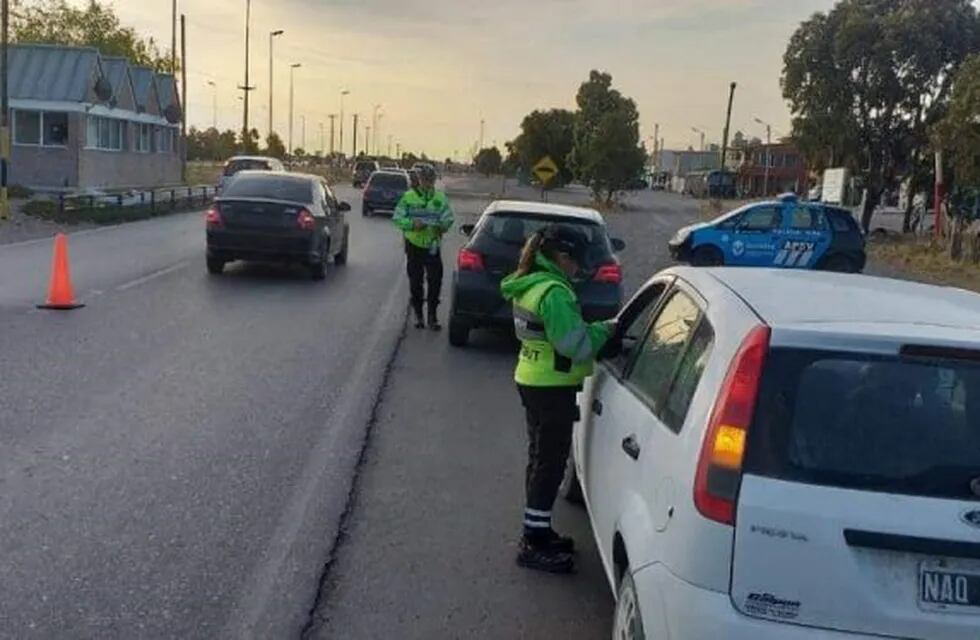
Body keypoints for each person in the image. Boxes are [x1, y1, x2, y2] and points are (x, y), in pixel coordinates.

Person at [500, 224, 616, 573]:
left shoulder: (530, 282)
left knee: (540, 460)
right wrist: (605, 330)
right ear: (562, 257)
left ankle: (537, 529)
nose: (580, 269)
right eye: (577, 261)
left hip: (532, 378)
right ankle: (533, 544)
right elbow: (575, 344)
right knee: (549, 465)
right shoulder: (555, 292)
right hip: (551, 386)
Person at [393, 165, 455, 330]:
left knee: (435, 281)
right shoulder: (409, 197)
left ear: (434, 180)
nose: (427, 182)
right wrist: (412, 224)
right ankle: (419, 315)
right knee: (416, 281)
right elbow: (397, 218)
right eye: (424, 179)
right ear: (419, 180)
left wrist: (442, 226)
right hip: (414, 245)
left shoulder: (440, 198)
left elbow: (449, 218)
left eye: (430, 179)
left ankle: (432, 316)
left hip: (432, 245)